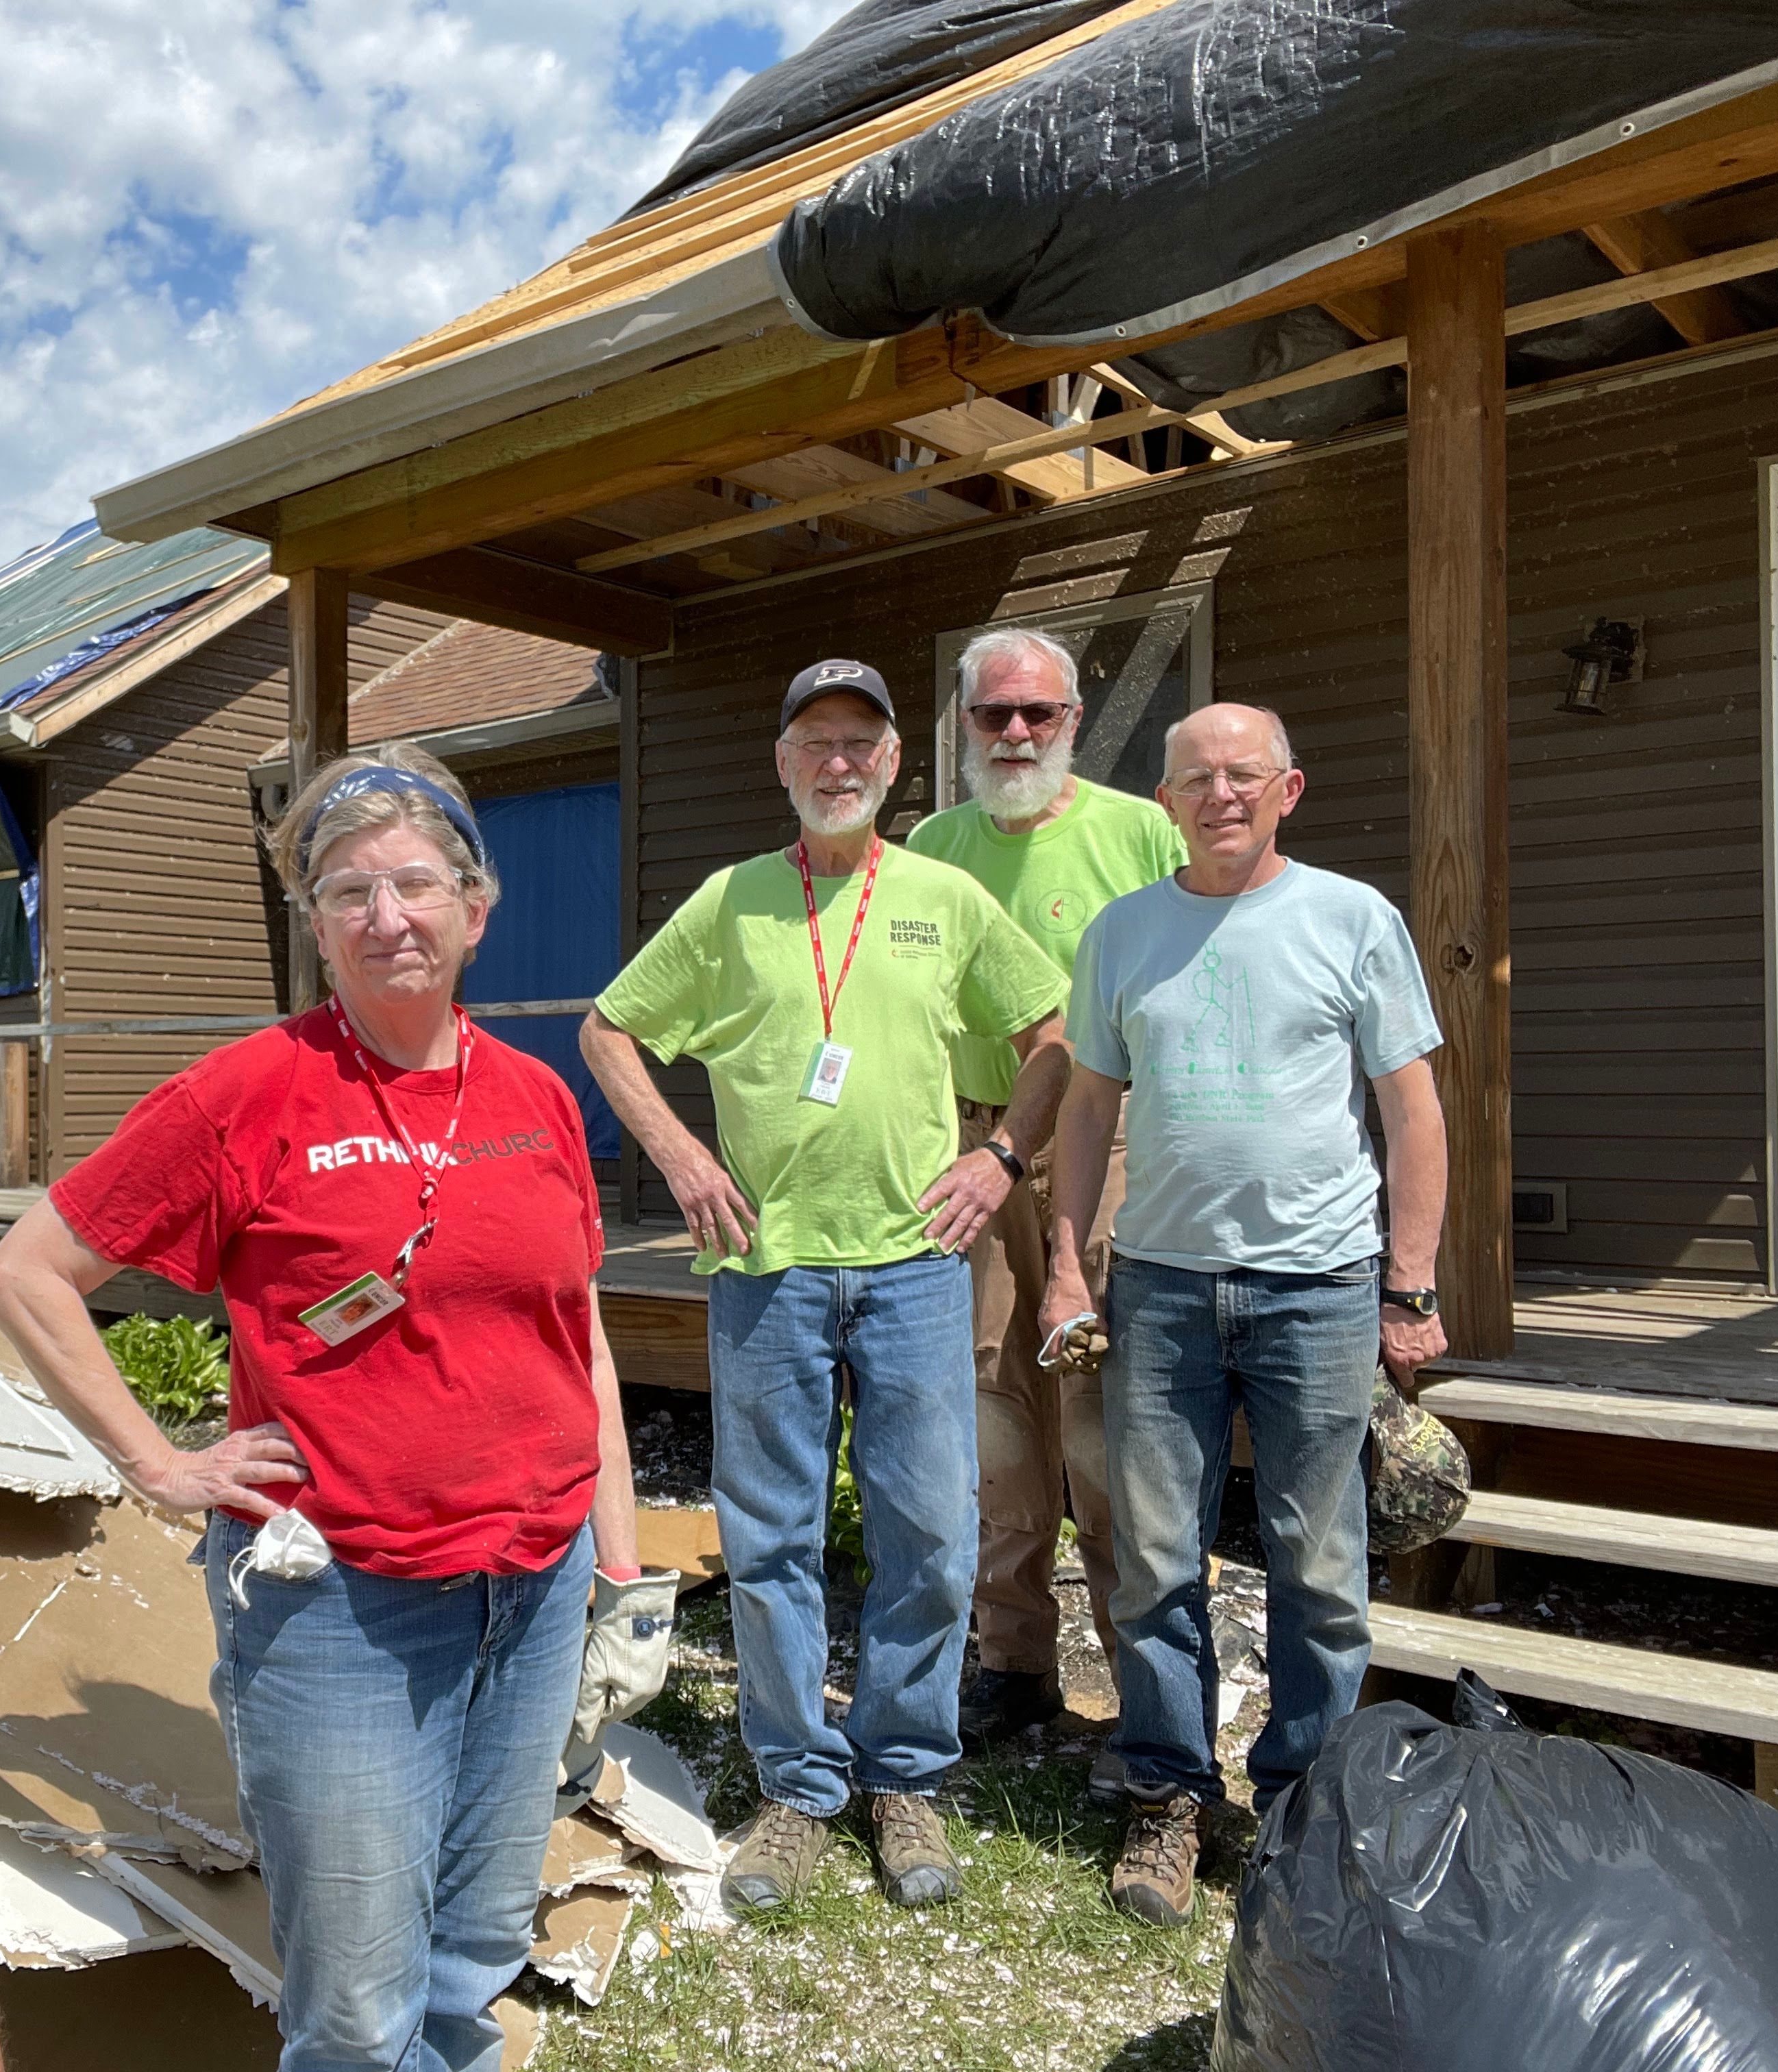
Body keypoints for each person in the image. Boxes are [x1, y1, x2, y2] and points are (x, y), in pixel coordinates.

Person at [0, 741, 665, 2072]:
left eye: (416, 883)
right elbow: (29, 1275)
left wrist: (620, 1566)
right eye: (348, 892)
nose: (387, 917)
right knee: (353, 2007)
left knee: (471, 1953)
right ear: (316, 927)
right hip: (343, 1600)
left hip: (533, 1587)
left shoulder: (538, 1099)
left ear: (479, 903)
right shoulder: (249, 1093)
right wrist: (156, 1466)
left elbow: (576, 1333)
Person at [581, 658, 1071, 1915]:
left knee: (929, 1535)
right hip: (767, 1268)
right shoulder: (733, 901)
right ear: (784, 766)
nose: (839, 763)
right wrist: (683, 1156)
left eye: (863, 742)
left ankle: (903, 1773)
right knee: (773, 1540)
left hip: (913, 1266)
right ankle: (799, 1785)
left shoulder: (945, 898)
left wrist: (1001, 1156)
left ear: (899, 764)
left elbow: (1055, 1035)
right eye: (817, 745)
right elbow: (608, 1030)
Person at [1038, 702, 1448, 1927]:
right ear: (1163, 800)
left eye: (1244, 775)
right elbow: (1088, 1113)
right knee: (1155, 1560)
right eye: (1194, 777)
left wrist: (1410, 1286)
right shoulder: (1124, 935)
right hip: (1160, 1286)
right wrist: (1070, 1264)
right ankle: (1170, 1797)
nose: (1220, 794)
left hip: (1318, 1287)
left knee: (1320, 1563)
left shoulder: (1352, 919)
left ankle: (1302, 1801)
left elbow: (1413, 1111)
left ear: (1290, 788)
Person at [905, 628, 1183, 1763]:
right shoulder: (932, 841)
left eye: (1039, 715)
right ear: (961, 723)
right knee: (995, 1414)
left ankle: (1145, 1691)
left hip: (1104, 1147)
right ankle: (1015, 1665)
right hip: (970, 1152)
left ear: (1075, 717)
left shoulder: (1139, 830)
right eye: (992, 716)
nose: (1015, 734)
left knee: (1104, 1412)